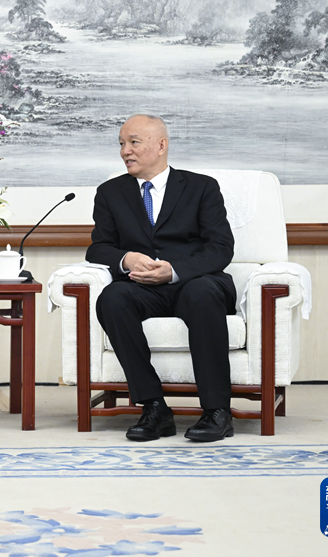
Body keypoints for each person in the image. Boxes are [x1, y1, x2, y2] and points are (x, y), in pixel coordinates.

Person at [86, 114, 237, 442]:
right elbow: (98, 248)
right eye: (121, 144)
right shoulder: (110, 192)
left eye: (134, 142)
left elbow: (221, 248)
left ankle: (217, 411)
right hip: (143, 288)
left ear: (161, 145)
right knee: (112, 298)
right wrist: (126, 259)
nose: (125, 151)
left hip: (194, 282)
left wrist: (174, 270)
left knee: (202, 293)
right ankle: (154, 407)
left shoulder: (201, 187)